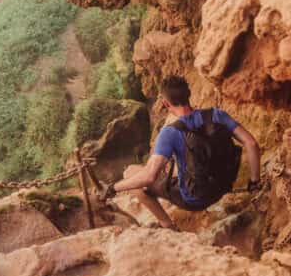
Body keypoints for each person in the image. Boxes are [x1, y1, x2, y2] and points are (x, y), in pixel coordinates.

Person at [104, 76, 261, 229]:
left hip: (194, 199)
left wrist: (113, 188)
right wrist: (254, 182)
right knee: (178, 166)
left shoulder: (170, 133)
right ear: (188, 94)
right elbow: (251, 143)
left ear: (166, 103)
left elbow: (149, 177)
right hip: (223, 186)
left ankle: (167, 225)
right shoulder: (217, 114)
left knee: (131, 174)